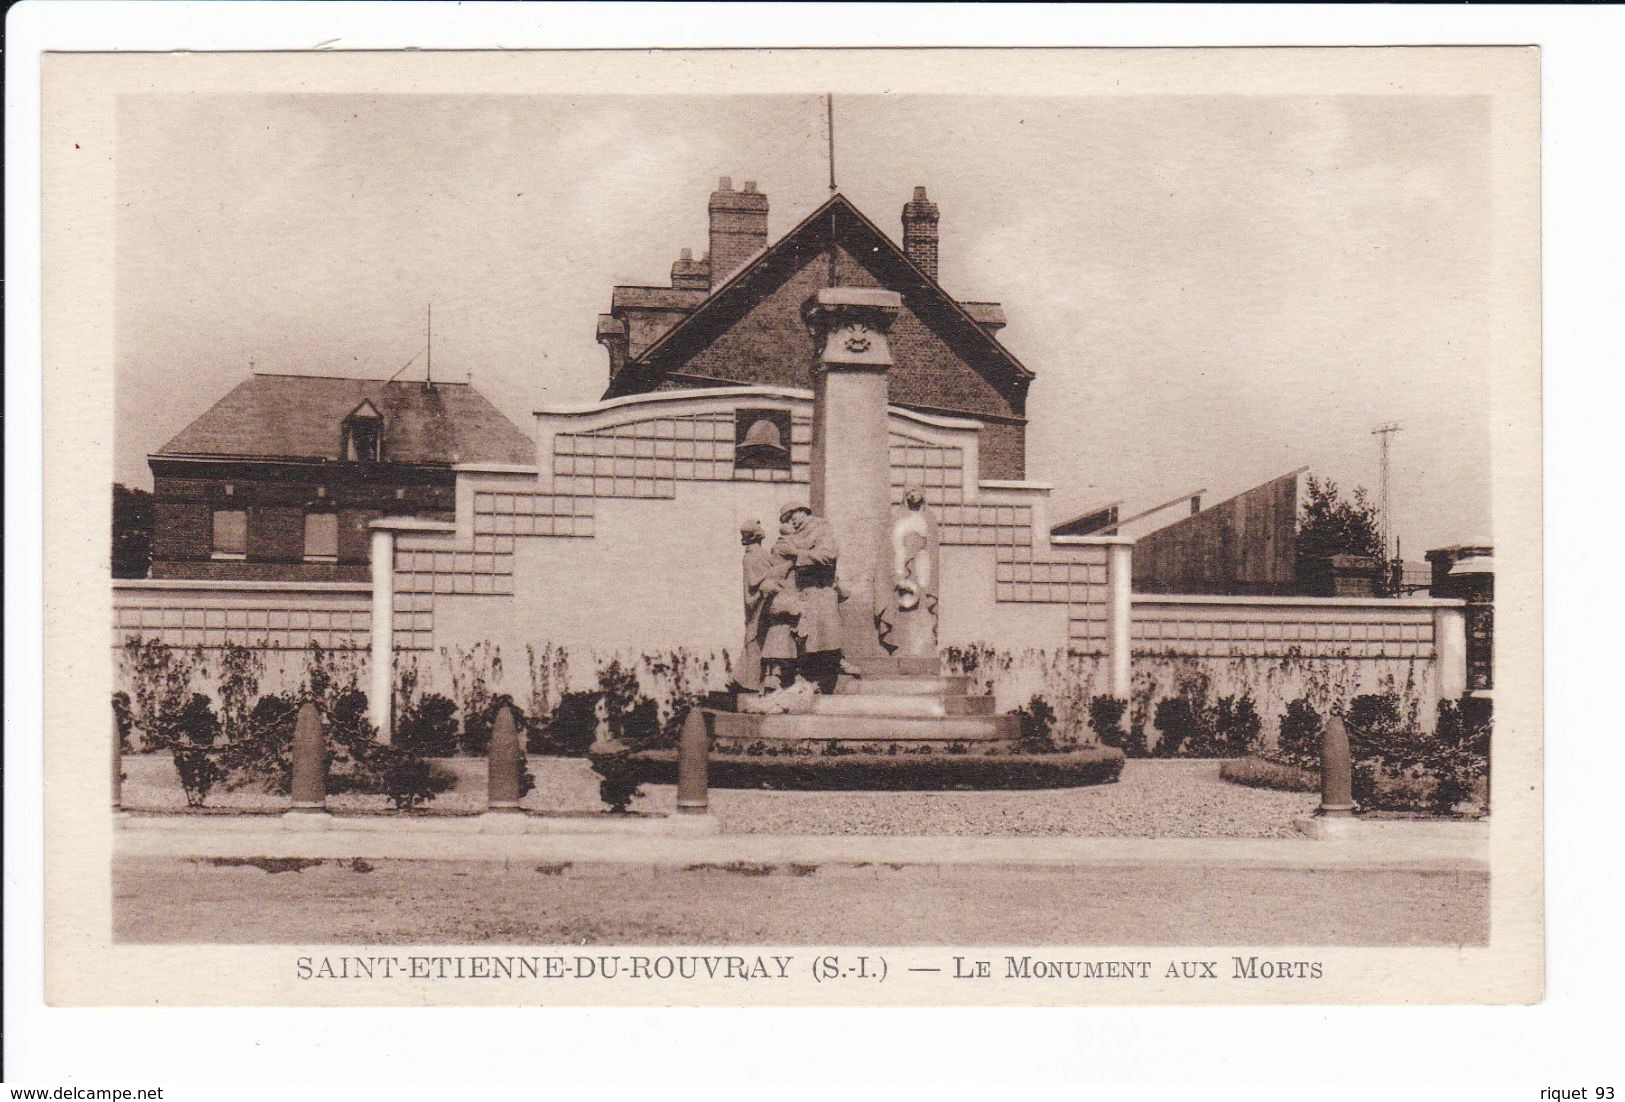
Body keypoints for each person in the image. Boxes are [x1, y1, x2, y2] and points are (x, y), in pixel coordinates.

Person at [777, 501, 846, 690]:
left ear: (802, 511)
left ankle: (829, 673)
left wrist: (798, 554)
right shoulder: (793, 536)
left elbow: (827, 556)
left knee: (825, 636)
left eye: (793, 517)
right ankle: (807, 676)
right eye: (787, 521)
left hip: (821, 589)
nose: (792, 523)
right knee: (804, 638)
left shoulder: (821, 527)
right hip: (803, 592)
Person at [877, 485, 940, 658]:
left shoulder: (929, 518)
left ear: (923, 494)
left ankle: (922, 648)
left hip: (923, 570)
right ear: (906, 496)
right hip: (902, 568)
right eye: (910, 492)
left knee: (922, 612)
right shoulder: (897, 517)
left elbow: (932, 549)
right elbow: (891, 546)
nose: (914, 495)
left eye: (917, 491)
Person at [733, 520, 771, 692]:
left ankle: (743, 679)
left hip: (757, 602)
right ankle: (750, 682)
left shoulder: (754, 555)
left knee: (754, 640)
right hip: (759, 601)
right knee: (755, 642)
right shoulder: (755, 556)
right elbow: (755, 581)